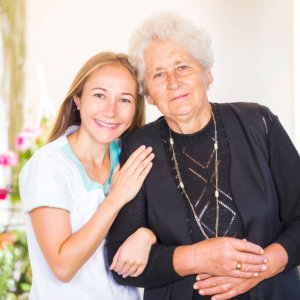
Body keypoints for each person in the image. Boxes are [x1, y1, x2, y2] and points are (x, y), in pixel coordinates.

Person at [106, 11, 300, 300]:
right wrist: (196, 257)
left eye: (183, 67)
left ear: (207, 74)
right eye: (158, 74)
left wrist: (261, 268)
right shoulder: (138, 148)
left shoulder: (259, 123)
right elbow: (121, 265)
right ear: (147, 93)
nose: (173, 82)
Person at [19, 52, 157, 300]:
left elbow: (168, 221)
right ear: (78, 99)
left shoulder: (131, 157)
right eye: (99, 95)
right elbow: (63, 267)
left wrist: (148, 235)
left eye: (124, 100)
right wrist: (115, 199)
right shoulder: (49, 166)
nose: (111, 111)